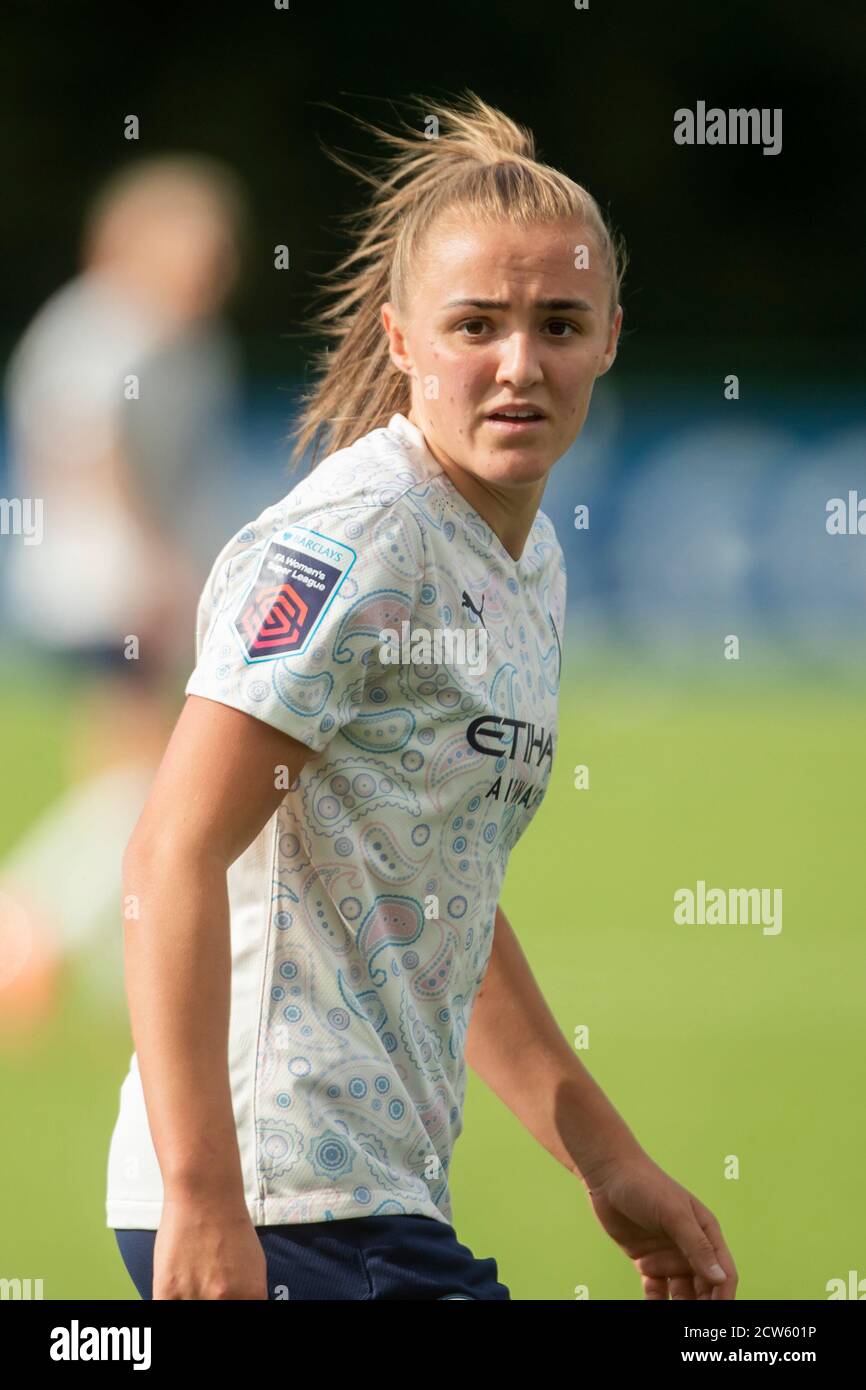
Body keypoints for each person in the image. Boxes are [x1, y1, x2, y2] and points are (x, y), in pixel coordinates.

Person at [106, 91, 738, 1301]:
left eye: (558, 322)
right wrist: (201, 1195)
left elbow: (434, 885)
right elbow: (168, 855)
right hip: (277, 1200)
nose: (518, 363)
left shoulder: (522, 559)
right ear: (401, 340)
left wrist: (607, 1162)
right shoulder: (353, 542)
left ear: (610, 334)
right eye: (474, 325)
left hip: (371, 1195)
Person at [0, 155, 246, 1033]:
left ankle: (111, 940)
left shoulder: (182, 340)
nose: (212, 269)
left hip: (137, 580)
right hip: (101, 584)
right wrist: (152, 564)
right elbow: (84, 452)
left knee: (130, 770)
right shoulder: (102, 331)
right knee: (150, 777)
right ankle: (27, 917)